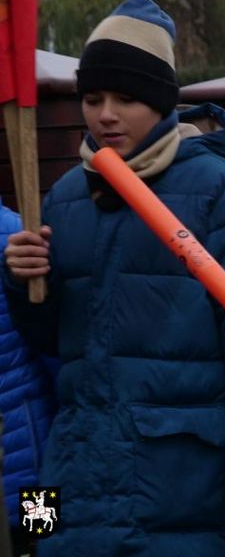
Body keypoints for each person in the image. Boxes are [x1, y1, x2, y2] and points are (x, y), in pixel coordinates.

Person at [2, 0, 225, 554]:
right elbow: (47, 343)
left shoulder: (221, 192)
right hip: (70, 465)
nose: (105, 114)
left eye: (126, 99)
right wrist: (25, 283)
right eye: (92, 98)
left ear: (161, 103)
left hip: (181, 474)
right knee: (42, 547)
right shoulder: (62, 196)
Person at [0, 198, 56, 555]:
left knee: (43, 542)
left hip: (33, 450)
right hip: (32, 443)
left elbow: (52, 347)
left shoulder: (15, 236)